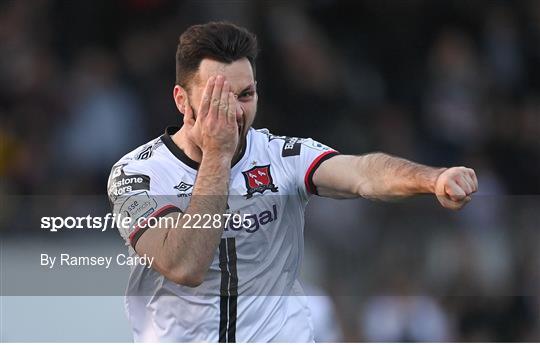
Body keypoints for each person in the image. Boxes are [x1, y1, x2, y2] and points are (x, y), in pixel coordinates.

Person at [107, 21, 478, 342]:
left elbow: (364, 173)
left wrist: (432, 178)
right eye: (217, 99)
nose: (235, 112)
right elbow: (184, 265)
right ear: (181, 100)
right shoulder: (138, 174)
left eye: (246, 95)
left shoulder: (281, 157)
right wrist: (218, 155)